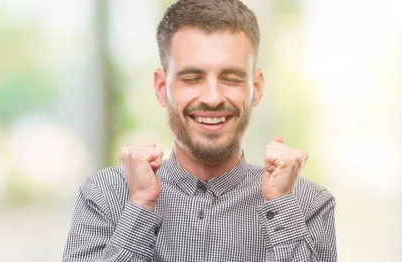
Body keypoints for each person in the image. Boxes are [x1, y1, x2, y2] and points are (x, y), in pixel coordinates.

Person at [63, 0, 336, 261]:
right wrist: (140, 205)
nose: (213, 97)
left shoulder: (307, 204)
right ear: (161, 88)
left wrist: (282, 207)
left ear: (257, 88)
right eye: (192, 78)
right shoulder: (103, 195)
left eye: (230, 78)